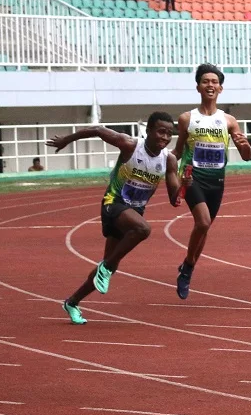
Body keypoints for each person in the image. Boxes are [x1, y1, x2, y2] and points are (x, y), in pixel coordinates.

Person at [47, 113, 185, 324]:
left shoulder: (169, 160)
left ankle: (72, 302)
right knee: (143, 230)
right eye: (160, 131)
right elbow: (98, 130)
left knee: (110, 265)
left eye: (169, 133)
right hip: (114, 202)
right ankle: (104, 269)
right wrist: (67, 140)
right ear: (148, 130)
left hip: (133, 213)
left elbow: (174, 198)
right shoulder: (130, 145)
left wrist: (185, 186)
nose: (165, 137)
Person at [173, 64, 251, 299]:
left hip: (217, 180)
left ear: (221, 88)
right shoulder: (187, 118)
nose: (210, 85)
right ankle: (187, 268)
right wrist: (161, 165)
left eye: (214, 82)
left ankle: (188, 267)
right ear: (198, 86)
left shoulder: (228, 121)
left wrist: (245, 145)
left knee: (204, 229)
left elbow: (247, 157)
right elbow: (177, 151)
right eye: (205, 81)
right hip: (191, 177)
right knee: (204, 222)